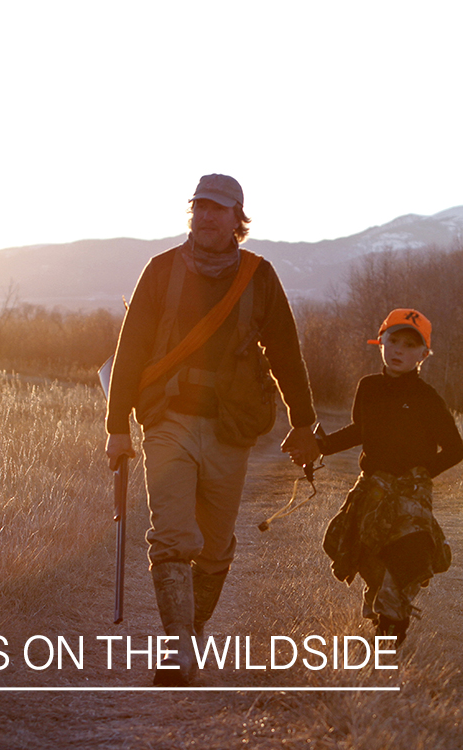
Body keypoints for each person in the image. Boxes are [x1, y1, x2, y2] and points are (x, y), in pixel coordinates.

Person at [104, 174, 320, 686]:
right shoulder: (159, 271)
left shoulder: (260, 277)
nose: (206, 215)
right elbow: (130, 348)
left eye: (218, 209)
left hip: (231, 427)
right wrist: (117, 428)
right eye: (199, 206)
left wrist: (305, 422)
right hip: (168, 420)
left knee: (217, 547)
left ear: (236, 219)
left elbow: (286, 353)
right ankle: (178, 649)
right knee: (174, 536)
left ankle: (190, 631)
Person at [318, 308, 463, 646]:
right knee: (360, 551)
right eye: (392, 340)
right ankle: (386, 613)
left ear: (423, 355)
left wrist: (422, 474)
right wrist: (320, 446)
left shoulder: (428, 398)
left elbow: (456, 450)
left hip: (411, 494)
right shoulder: (368, 388)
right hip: (373, 489)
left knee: (408, 557)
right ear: (380, 342)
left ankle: (391, 632)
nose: (399, 350)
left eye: (410, 345)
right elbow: (359, 431)